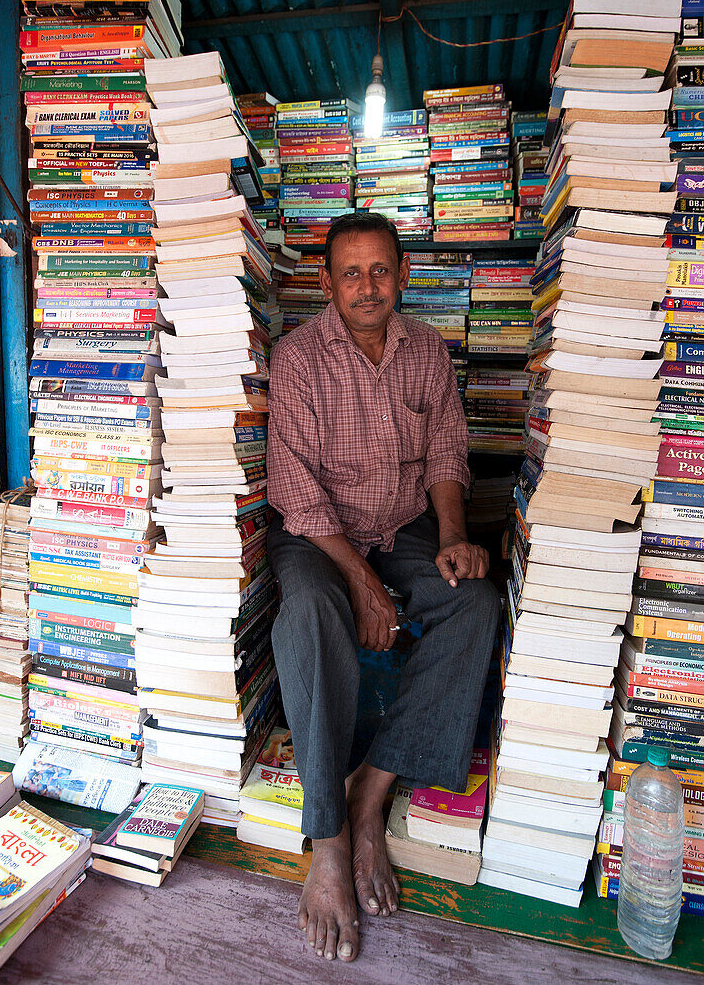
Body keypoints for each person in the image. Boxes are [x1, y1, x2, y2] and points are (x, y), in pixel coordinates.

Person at [266, 212, 499, 963]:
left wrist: (457, 536)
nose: (367, 287)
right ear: (327, 282)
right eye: (351, 273)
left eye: (380, 271)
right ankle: (330, 835)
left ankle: (373, 790)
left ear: (403, 275)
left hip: (403, 528)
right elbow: (295, 492)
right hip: (321, 533)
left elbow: (445, 454)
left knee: (475, 602)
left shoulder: (427, 350)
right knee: (307, 610)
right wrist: (362, 584)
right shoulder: (298, 358)